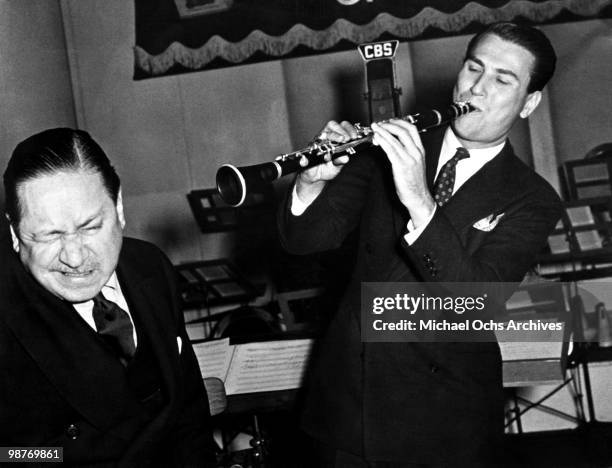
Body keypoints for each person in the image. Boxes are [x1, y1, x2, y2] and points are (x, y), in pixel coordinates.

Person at [278, 22, 563, 466]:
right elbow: (305, 241)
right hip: (352, 405)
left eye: (502, 80)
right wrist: (311, 181)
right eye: (474, 68)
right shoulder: (388, 143)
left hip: (445, 419)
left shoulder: (534, 199)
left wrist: (420, 201)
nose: (478, 88)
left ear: (529, 103)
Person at [0, 128, 217, 467]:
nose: (73, 257)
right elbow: (8, 455)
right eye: (48, 236)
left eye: (89, 227)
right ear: (15, 235)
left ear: (118, 208)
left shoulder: (150, 266)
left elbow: (187, 411)